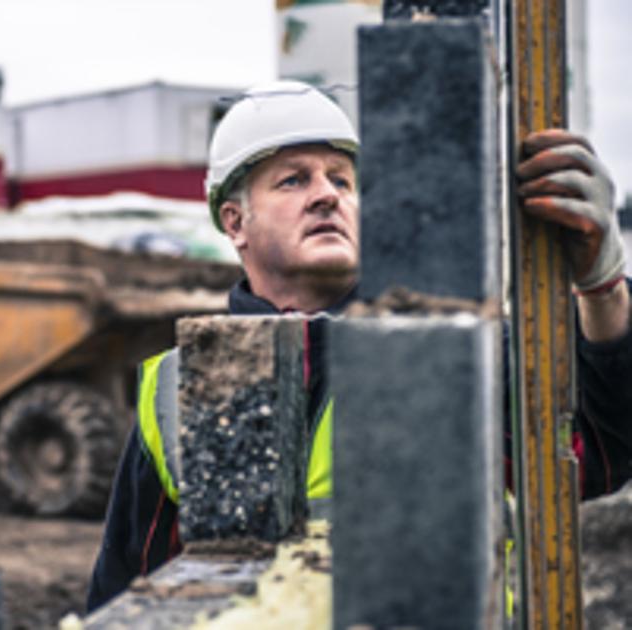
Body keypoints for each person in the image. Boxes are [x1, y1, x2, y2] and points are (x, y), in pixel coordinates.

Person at [86, 80, 632, 611]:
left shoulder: (449, 350)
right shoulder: (181, 390)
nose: (328, 195)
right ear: (235, 223)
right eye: (293, 180)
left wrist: (603, 285)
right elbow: (131, 594)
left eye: (343, 182)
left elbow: (602, 454)